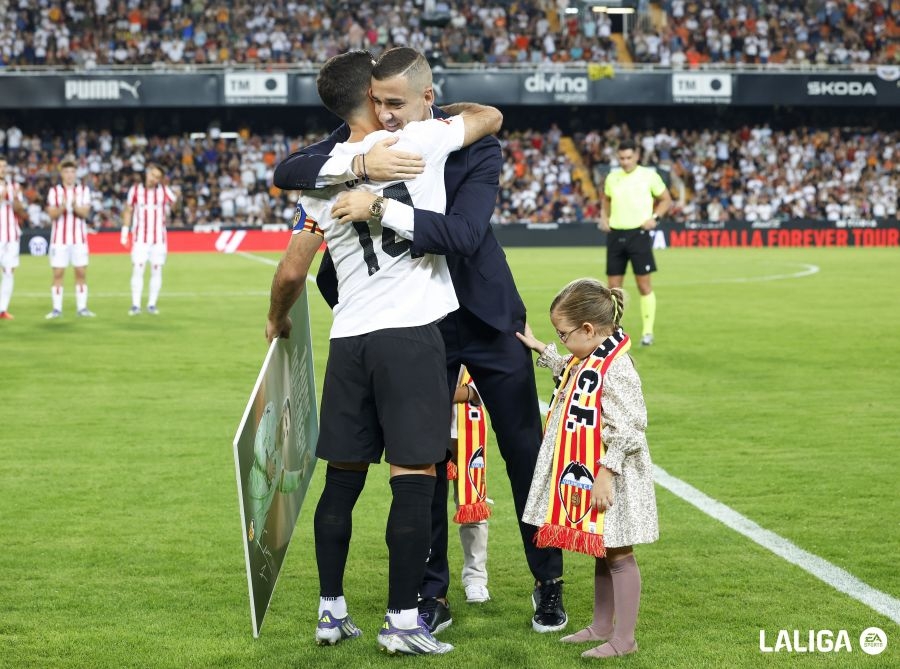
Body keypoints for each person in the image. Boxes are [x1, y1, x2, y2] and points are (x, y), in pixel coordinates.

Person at [273, 46, 566, 636]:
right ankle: (427, 595)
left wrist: (377, 198)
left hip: (485, 320)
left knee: (523, 453)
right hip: (419, 327)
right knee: (424, 460)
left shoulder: (467, 145)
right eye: (377, 103)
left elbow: (462, 233)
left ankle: (548, 583)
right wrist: (359, 167)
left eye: (396, 104)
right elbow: (299, 165)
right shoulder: (370, 145)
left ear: (427, 102)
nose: (384, 115)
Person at [516, 278, 659, 659]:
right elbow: (573, 371)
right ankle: (600, 625)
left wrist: (606, 474)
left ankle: (624, 639)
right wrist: (542, 350)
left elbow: (630, 427)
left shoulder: (617, 366)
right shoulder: (593, 355)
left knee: (619, 554)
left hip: (613, 476)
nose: (561, 340)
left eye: (563, 334)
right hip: (600, 472)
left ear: (588, 329)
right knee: (602, 548)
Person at [598, 138, 672, 346]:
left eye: (629, 157)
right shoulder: (612, 177)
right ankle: (613, 333)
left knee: (643, 285)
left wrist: (655, 218)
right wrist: (604, 217)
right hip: (615, 234)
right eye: (621, 158)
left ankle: (647, 333)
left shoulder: (649, 175)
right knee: (613, 289)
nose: (625, 161)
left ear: (637, 156)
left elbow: (666, 199)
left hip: (638, 234)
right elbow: (605, 199)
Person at [448, 368, 490, 605]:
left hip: (468, 427)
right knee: (424, 504)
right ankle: (427, 578)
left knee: (472, 502)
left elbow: (488, 382)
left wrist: (454, 393)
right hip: (428, 423)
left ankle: (475, 578)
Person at [121, 163, 178, 316]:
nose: (154, 179)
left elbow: (175, 208)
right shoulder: (135, 190)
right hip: (140, 238)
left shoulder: (164, 191)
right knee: (138, 269)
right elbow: (128, 210)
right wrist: (125, 231)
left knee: (156, 270)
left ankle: (152, 304)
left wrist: (177, 199)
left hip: (159, 239)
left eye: (157, 177)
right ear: (147, 174)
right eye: (152, 175)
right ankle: (135, 304)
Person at [45, 157, 95, 319]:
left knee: (81, 272)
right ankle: (56, 309)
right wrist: (62, 206)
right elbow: (52, 215)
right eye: (66, 172)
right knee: (58, 273)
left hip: (79, 239)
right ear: (61, 174)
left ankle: (82, 308)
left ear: (76, 174)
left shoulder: (83, 190)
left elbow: (85, 213)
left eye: (72, 171)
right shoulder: (54, 191)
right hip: (59, 240)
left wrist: (73, 206)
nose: (69, 175)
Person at [0, 157, 27, 320]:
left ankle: (2, 309)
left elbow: (20, 210)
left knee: (9, 271)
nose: (2, 169)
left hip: (11, 235)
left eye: (4, 166)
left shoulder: (14, 186)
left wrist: (15, 199)